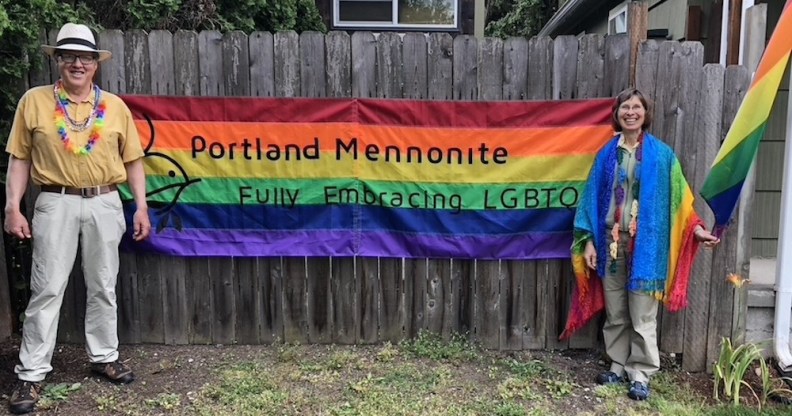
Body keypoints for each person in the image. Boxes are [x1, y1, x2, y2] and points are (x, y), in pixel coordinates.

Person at [4, 23, 151, 414]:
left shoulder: (115, 107)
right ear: (58, 61)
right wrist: (12, 206)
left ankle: (104, 356)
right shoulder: (33, 102)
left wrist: (140, 206)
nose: (77, 63)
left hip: (105, 202)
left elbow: (133, 160)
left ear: (95, 64)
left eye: (84, 57)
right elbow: (20, 158)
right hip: (55, 202)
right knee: (47, 288)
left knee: (103, 284)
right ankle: (31, 374)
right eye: (68, 56)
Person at [560, 88, 720, 401]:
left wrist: (697, 230)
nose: (631, 112)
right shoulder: (607, 154)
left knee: (643, 313)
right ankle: (618, 366)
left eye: (637, 107)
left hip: (647, 246)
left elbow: (681, 200)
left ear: (645, 114)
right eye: (625, 107)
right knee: (617, 310)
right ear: (617, 114)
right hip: (611, 243)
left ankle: (641, 373)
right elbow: (590, 200)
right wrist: (589, 242)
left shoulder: (662, 156)